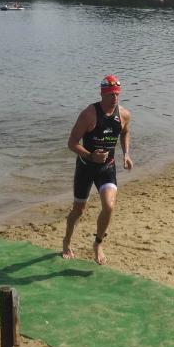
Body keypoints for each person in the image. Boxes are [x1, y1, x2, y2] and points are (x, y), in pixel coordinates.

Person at [63, 75, 132, 264]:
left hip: (107, 168)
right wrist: (90, 156)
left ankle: (98, 243)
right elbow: (72, 143)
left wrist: (126, 154)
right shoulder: (89, 114)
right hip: (86, 167)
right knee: (79, 210)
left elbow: (125, 132)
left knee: (109, 206)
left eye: (117, 94)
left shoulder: (124, 114)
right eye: (111, 94)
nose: (114, 98)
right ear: (102, 94)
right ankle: (67, 240)